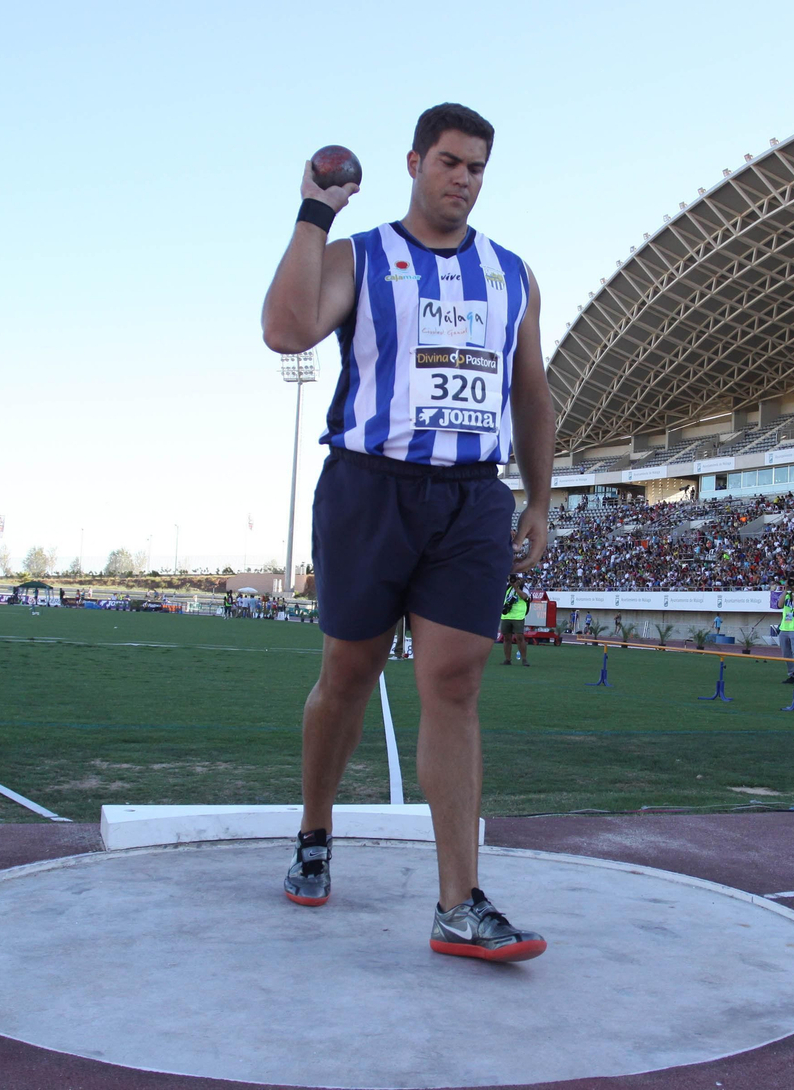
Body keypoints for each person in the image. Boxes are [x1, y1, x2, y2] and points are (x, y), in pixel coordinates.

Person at [261, 103, 553, 959]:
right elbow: (285, 330)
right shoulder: (363, 256)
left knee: (455, 683)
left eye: (477, 168)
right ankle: (315, 831)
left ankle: (458, 902)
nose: (463, 179)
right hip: (369, 488)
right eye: (450, 162)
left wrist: (540, 498)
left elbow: (531, 391)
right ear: (416, 162)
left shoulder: (512, 275)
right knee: (347, 676)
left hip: (470, 497)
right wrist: (316, 213)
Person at [499, 574, 530, 666]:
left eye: (518, 579)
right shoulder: (507, 587)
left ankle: (524, 659)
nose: (515, 580)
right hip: (506, 616)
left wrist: (516, 588)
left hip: (518, 616)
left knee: (520, 638)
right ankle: (507, 659)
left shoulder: (524, 588)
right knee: (506, 638)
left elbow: (525, 597)